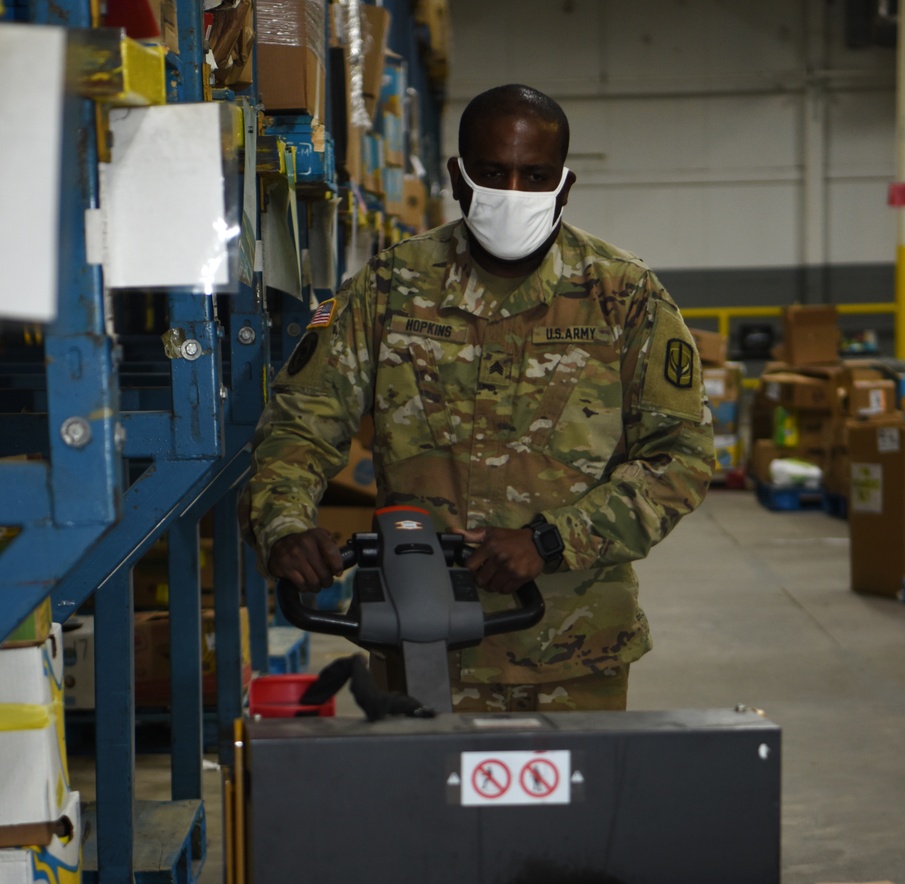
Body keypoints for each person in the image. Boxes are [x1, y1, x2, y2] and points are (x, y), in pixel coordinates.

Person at [242, 83, 714, 712]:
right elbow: (299, 425)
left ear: (564, 186)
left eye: (534, 175)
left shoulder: (625, 298)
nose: (513, 193)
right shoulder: (391, 288)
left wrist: (553, 541)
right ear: (458, 179)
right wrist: (286, 524)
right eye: (493, 174)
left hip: (572, 650)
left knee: (569, 811)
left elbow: (679, 459)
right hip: (416, 641)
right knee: (425, 809)